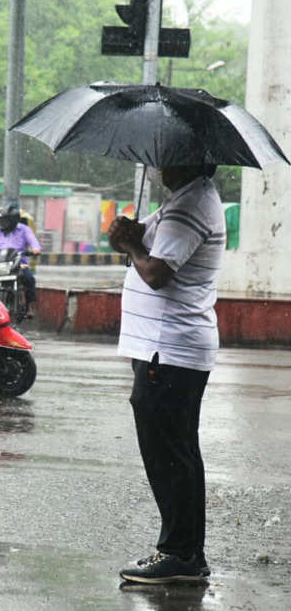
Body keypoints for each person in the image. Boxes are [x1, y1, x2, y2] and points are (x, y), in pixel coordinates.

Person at [109, 164, 225, 584]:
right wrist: (132, 235)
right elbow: (153, 250)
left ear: (186, 157)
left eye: (164, 156)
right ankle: (187, 553)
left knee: (169, 452)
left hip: (169, 348)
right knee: (176, 450)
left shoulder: (190, 204)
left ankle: (179, 553)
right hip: (165, 348)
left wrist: (132, 248)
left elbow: (157, 273)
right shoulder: (185, 200)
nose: (157, 166)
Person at [0, 202, 41, 318]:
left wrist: (35, 250)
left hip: (18, 264)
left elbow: (35, 244)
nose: (2, 223)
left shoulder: (24, 230)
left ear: (13, 220)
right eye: (1, 220)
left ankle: (30, 306)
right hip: (0, 264)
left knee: (29, 279)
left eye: (5, 220)